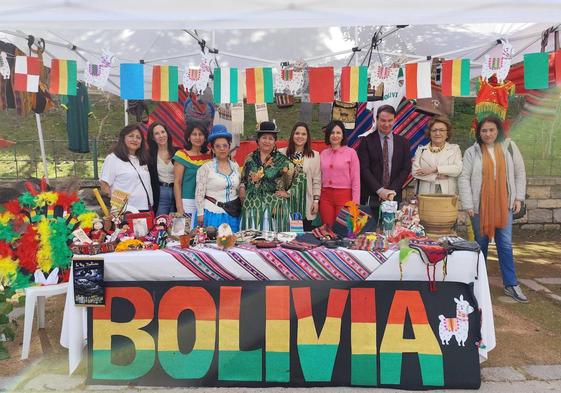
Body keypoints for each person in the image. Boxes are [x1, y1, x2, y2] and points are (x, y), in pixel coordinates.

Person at [458, 116, 528, 303]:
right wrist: (468, 205)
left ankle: (511, 284)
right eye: (484, 131)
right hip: (480, 207)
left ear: (498, 131)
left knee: (504, 244)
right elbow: (464, 178)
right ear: (479, 132)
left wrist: (519, 198)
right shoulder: (472, 152)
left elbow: (520, 173)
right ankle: (477, 283)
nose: (488, 134)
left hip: (505, 205)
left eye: (491, 130)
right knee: (479, 246)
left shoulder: (509, 147)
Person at [357, 105, 411, 219]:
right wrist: (380, 190)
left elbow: (406, 169)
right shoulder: (366, 141)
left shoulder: (403, 142)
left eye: (390, 120)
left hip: (393, 196)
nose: (386, 124)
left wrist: (391, 191)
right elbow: (363, 169)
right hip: (371, 196)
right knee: (369, 234)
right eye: (383, 120)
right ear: (376, 120)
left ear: (395, 120)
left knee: (391, 232)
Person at [239, 121, 294, 232]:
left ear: (275, 141)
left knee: (274, 242)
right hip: (252, 207)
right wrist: (242, 187)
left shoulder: (283, 161)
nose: (267, 141)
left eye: (271, 138)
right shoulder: (250, 158)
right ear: (258, 140)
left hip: (274, 208)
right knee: (252, 241)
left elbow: (297, 180)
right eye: (264, 137)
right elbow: (244, 178)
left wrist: (288, 193)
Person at [195, 125, 241, 232]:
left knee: (232, 244)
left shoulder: (235, 166)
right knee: (212, 245)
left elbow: (238, 188)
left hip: (233, 214)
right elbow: (199, 193)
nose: (222, 149)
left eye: (225, 146)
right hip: (213, 214)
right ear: (212, 149)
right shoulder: (205, 168)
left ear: (229, 147)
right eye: (218, 146)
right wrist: (200, 214)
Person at [100, 124, 153, 212]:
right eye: (131, 136)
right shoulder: (113, 158)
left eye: (138, 137)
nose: (135, 139)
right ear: (123, 139)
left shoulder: (142, 159)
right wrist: (117, 207)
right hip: (125, 210)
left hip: (145, 208)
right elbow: (105, 185)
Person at [279, 122, 321, 231]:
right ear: (293, 135)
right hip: (286, 204)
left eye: (303, 134)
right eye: (297, 133)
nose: (300, 136)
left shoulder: (314, 155)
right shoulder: (281, 153)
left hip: (305, 203)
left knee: (302, 239)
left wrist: (316, 201)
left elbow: (317, 180)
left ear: (307, 137)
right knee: (287, 237)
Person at [319, 120, 360, 227]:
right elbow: (319, 177)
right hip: (326, 198)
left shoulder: (351, 153)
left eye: (338, 133)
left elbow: (356, 179)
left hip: (344, 197)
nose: (335, 135)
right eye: (332, 133)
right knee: (327, 229)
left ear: (343, 136)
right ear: (328, 135)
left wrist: (355, 202)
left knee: (343, 230)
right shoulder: (323, 154)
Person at [173, 123, 211, 227]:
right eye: (194, 134)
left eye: (201, 134)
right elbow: (177, 182)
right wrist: (179, 207)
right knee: (185, 236)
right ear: (188, 137)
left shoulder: (209, 157)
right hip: (187, 202)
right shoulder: (181, 155)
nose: (198, 137)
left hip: (205, 202)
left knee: (202, 236)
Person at [412, 116, 462, 194]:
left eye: (441, 130)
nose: (437, 133)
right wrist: (435, 176)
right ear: (429, 133)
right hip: (425, 195)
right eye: (434, 130)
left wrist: (435, 169)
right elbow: (415, 172)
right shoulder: (421, 150)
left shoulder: (454, 149)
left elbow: (458, 169)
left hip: (447, 195)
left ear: (447, 133)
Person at [146, 122, 178, 215]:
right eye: (157, 133)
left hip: (177, 192)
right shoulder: (149, 154)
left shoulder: (178, 152)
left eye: (163, 132)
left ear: (167, 133)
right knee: (160, 223)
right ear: (152, 138)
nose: (161, 135)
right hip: (160, 192)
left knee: (177, 224)